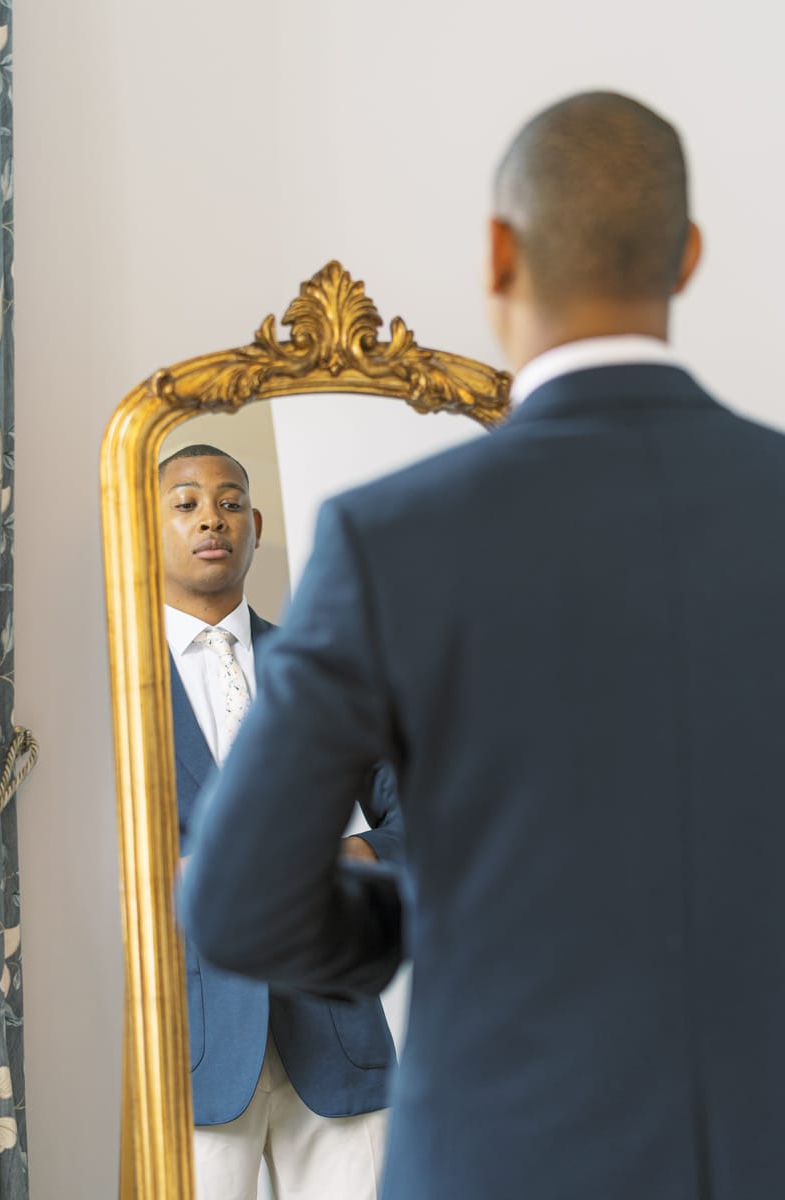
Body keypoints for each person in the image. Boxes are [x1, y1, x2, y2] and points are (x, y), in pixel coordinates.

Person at [180, 92, 785, 1200]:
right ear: (688, 256)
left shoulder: (389, 539)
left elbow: (238, 900)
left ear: (500, 252)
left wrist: (432, 907)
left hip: (504, 1157)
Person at [162, 443, 401, 1200]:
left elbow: (422, 812)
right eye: (186, 503)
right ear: (146, 529)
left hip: (335, 1037)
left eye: (231, 503)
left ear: (256, 526)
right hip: (193, 1051)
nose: (212, 518)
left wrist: (340, 861)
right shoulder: (117, 683)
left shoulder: (322, 666)